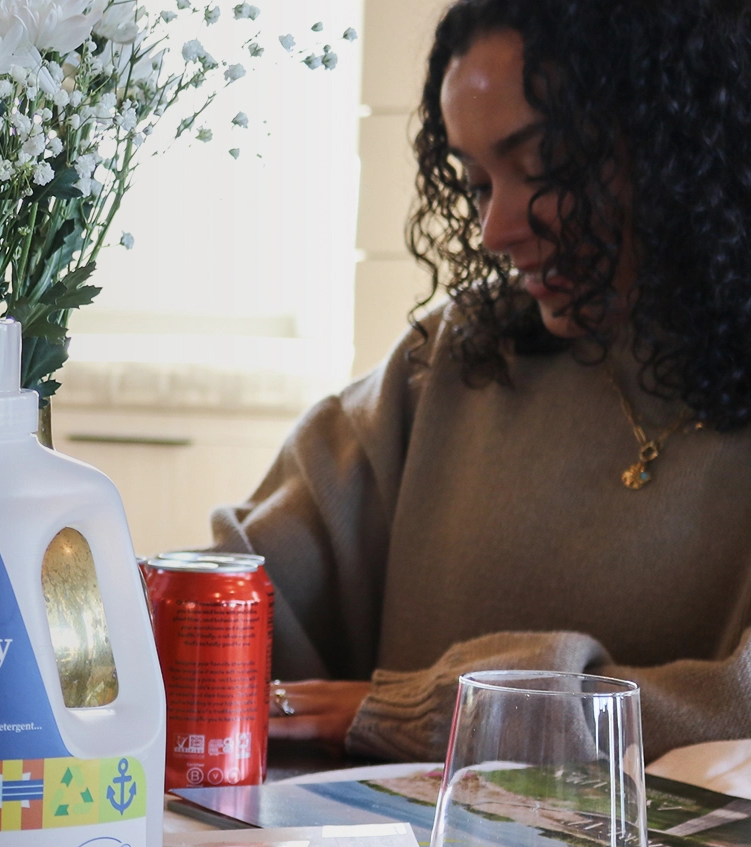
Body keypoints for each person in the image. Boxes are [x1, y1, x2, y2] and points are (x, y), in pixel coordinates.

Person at [218, 0, 751, 762]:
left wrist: (438, 710)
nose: (496, 231)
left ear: (683, 140)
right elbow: (238, 582)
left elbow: (737, 707)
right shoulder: (455, 359)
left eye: (544, 167)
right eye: (475, 184)